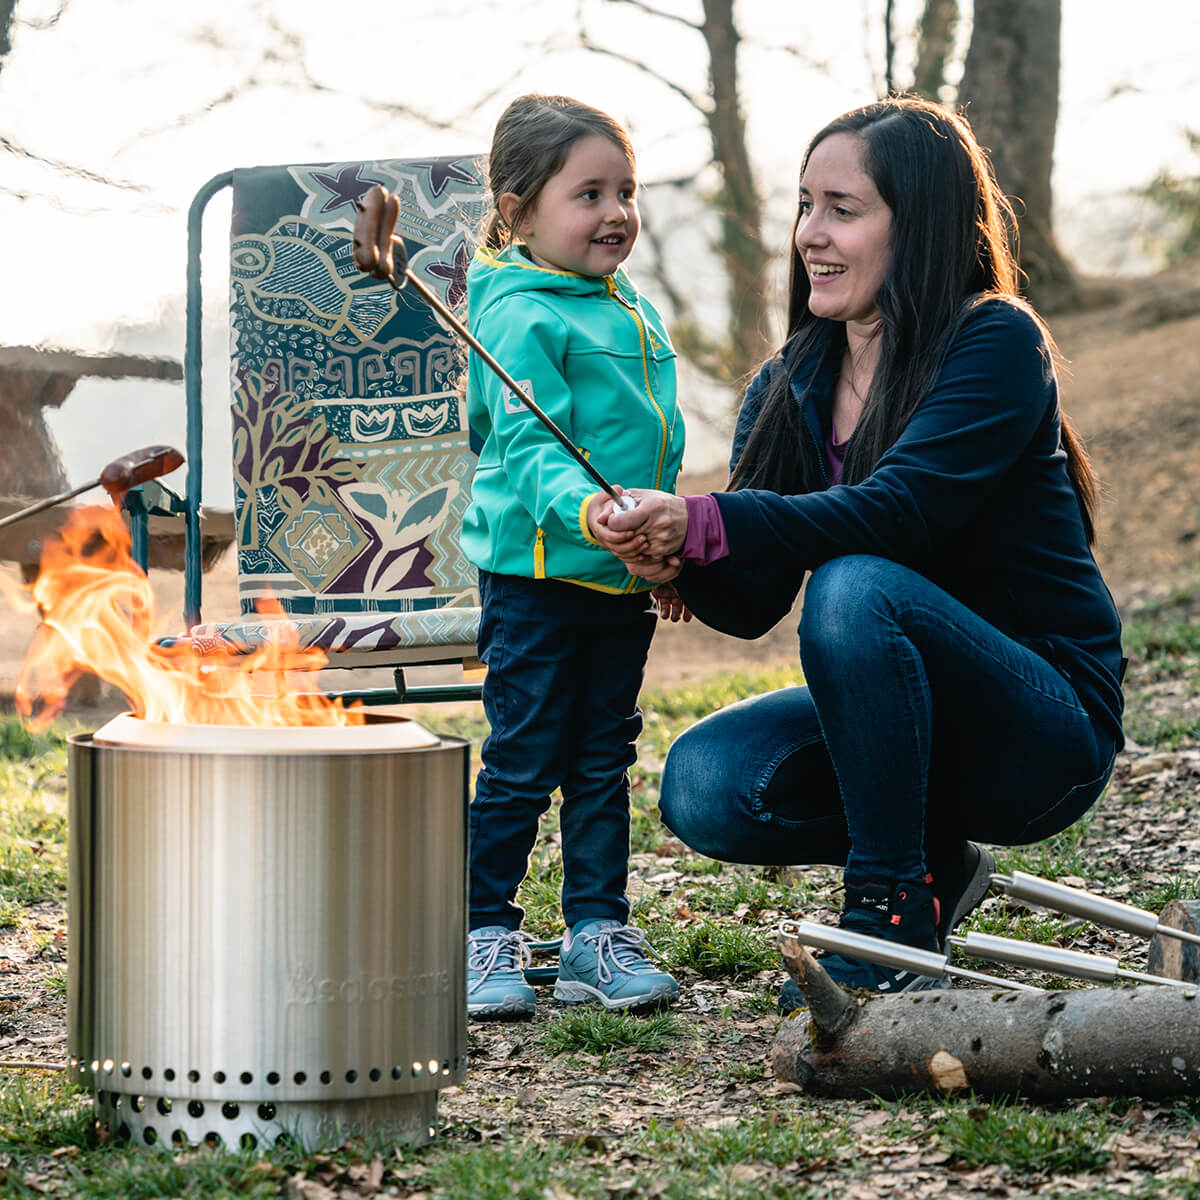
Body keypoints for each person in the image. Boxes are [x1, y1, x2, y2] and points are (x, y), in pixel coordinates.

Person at [591, 96, 1125, 1011]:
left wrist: (709, 519)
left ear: (916, 225)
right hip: (904, 726)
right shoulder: (793, 379)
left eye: (844, 208)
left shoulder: (994, 340)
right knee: (708, 783)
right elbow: (752, 601)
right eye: (805, 206)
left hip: (1042, 725)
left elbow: (900, 512)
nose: (811, 234)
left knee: (856, 586)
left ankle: (888, 916)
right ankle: (934, 864)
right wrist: (671, 561)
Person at [451, 94, 685, 1018]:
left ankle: (595, 932)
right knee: (523, 756)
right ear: (519, 212)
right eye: (588, 193)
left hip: (612, 576)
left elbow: (654, 449)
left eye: (625, 189)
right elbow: (526, 445)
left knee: (601, 759)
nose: (616, 211)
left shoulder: (627, 307)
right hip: (537, 575)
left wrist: (662, 558)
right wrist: (587, 509)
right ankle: (482, 932)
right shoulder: (516, 315)